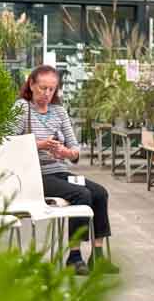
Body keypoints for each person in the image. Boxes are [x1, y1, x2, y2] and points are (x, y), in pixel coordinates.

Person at [13, 65, 115, 275]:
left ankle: (97, 256)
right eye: (43, 88)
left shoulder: (59, 111)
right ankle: (74, 256)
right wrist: (40, 145)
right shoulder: (22, 108)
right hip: (35, 175)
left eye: (52, 89)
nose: (47, 93)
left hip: (60, 171)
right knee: (81, 194)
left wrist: (65, 152)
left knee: (99, 193)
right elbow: (8, 143)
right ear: (31, 85)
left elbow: (75, 149)